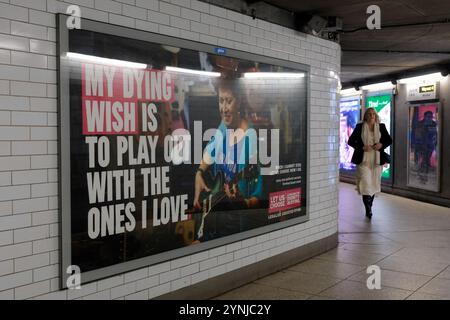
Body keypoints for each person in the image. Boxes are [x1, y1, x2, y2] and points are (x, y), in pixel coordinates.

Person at [193, 79, 263, 241]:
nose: (224, 108)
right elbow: (210, 150)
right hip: (216, 213)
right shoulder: (225, 126)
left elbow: (258, 196)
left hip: (236, 226)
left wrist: (241, 201)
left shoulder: (251, 140)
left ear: (239, 102)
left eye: (229, 101)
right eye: (221, 101)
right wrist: (199, 172)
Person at [347, 108, 392, 219]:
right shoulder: (360, 127)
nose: (372, 116)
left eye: (373, 114)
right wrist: (362, 147)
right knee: (366, 184)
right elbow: (351, 141)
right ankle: (368, 209)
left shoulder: (381, 127)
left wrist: (381, 145)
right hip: (364, 161)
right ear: (366, 116)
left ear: (376, 116)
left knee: (373, 184)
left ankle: (369, 205)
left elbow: (389, 140)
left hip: (377, 161)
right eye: (369, 114)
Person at [413, 110, 437, 181]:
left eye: (431, 117)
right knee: (423, 161)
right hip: (421, 146)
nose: (430, 118)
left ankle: (423, 175)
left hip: (430, 146)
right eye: (428, 117)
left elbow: (435, 134)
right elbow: (417, 135)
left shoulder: (434, 123)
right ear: (425, 117)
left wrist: (434, 143)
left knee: (426, 160)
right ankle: (422, 176)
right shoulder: (420, 124)